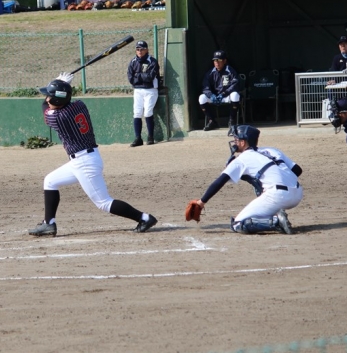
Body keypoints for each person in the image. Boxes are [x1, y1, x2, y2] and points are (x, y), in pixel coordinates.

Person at [28, 73, 158, 237]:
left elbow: (44, 108)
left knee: (104, 202)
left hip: (84, 163)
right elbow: (57, 101)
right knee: (50, 181)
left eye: (49, 97)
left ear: (58, 101)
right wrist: (61, 86)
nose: (47, 99)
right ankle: (49, 224)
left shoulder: (59, 118)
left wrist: (59, 83)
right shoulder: (79, 105)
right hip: (83, 159)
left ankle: (144, 218)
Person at [190, 125, 303, 234]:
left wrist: (201, 202)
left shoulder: (242, 159)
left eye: (236, 139)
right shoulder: (271, 150)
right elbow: (297, 170)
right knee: (259, 182)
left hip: (277, 196)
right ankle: (273, 213)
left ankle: (276, 222)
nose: (234, 142)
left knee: (237, 224)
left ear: (243, 142)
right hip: (297, 194)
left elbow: (220, 181)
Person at [199, 50, 241, 136]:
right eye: (215, 60)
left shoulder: (230, 70)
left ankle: (232, 121)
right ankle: (212, 121)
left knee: (235, 95)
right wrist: (211, 95)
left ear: (224, 61)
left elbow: (235, 85)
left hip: (226, 96)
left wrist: (224, 94)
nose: (217, 62)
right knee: (202, 98)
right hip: (215, 97)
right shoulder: (210, 73)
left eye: (219, 60)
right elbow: (205, 87)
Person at [127, 40, 160, 146]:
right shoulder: (133, 62)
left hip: (150, 90)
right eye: (137, 49)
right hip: (137, 90)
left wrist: (138, 75)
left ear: (147, 50)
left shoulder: (152, 61)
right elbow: (131, 78)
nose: (139, 51)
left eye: (142, 49)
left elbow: (150, 77)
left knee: (147, 112)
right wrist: (141, 76)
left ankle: (151, 137)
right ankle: (138, 138)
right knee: (137, 113)